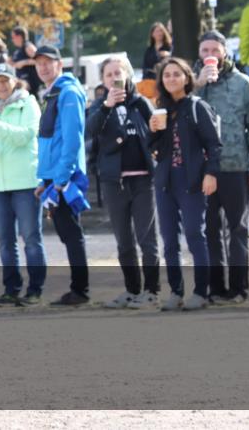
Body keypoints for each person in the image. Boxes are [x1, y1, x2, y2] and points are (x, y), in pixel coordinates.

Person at [194, 30, 249, 304]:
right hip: (204, 170)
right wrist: (198, 84)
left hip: (237, 166)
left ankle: (239, 288)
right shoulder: (193, 83)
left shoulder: (242, 82)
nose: (210, 55)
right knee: (209, 230)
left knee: (237, 229)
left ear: (225, 52)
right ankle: (216, 288)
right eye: (205, 51)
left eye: (215, 50)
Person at [87, 56, 161, 309]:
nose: (114, 78)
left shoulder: (141, 103)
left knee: (147, 238)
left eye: (119, 73)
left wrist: (139, 101)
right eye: (109, 75)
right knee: (124, 241)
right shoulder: (98, 106)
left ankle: (152, 291)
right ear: (103, 80)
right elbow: (90, 130)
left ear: (129, 75)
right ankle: (132, 290)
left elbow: (156, 129)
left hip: (143, 180)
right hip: (113, 182)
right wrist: (107, 106)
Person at [150, 57, 222, 311]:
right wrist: (154, 131)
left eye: (176, 74)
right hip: (165, 181)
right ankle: (175, 291)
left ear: (186, 77)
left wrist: (211, 173)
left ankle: (201, 291)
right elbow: (156, 149)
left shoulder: (197, 106)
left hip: (192, 180)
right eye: (167, 75)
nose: (171, 78)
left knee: (194, 235)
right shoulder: (161, 109)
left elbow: (214, 144)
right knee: (169, 240)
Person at [0, 63, 45, 308]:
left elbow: (27, 135)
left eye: (6, 80)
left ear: (15, 81)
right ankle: (11, 289)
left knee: (31, 238)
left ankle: (35, 290)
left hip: (26, 181)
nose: (2, 85)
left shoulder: (28, 104)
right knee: (5, 242)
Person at [33, 45, 92, 306]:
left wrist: (59, 180)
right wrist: (44, 180)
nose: (43, 67)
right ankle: (78, 289)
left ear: (60, 64)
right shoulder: (53, 92)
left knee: (72, 234)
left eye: (49, 62)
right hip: (54, 176)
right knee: (67, 234)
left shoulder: (67, 92)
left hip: (64, 177)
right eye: (39, 63)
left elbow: (72, 140)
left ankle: (80, 291)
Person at [10, 26, 41, 95]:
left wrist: (24, 62)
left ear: (19, 36)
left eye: (13, 37)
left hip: (30, 83)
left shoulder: (28, 46)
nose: (12, 40)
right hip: (22, 82)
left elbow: (39, 61)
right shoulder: (19, 49)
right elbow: (17, 64)